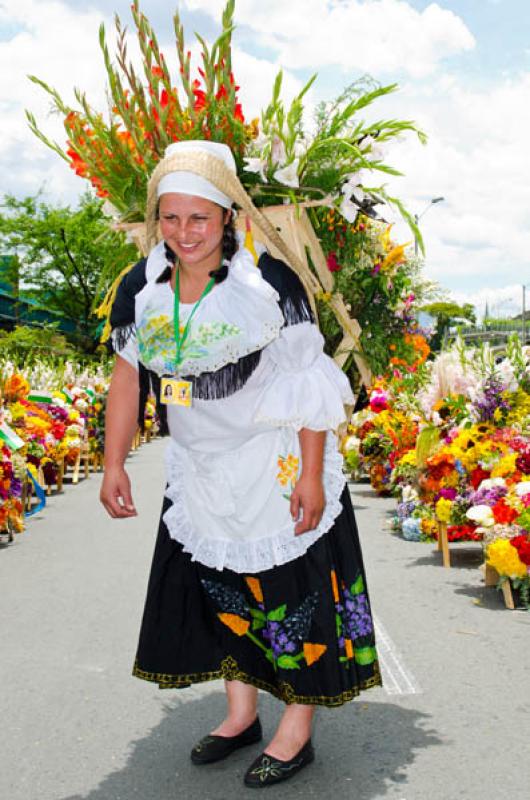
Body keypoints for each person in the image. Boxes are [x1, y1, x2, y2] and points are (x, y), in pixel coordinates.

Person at [100, 140, 381, 788]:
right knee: (225, 595)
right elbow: (126, 379)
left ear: (228, 215)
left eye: (199, 217)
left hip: (273, 464)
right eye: (170, 217)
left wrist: (311, 473)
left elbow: (308, 381)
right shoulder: (141, 287)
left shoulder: (267, 281)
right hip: (200, 471)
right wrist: (115, 462)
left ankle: (296, 728)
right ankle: (241, 715)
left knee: (292, 598)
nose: (184, 232)